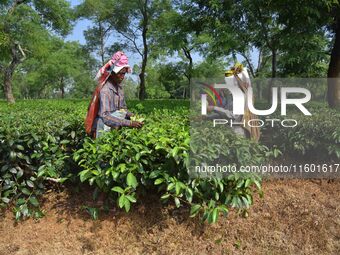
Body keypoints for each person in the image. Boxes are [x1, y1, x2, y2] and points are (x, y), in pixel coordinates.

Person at [93, 51, 144, 138]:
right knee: (102, 149)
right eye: (119, 73)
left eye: (124, 73)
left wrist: (132, 116)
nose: (122, 76)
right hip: (103, 127)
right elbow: (105, 116)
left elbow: (122, 109)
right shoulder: (105, 89)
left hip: (115, 126)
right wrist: (129, 123)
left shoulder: (119, 88)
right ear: (112, 73)